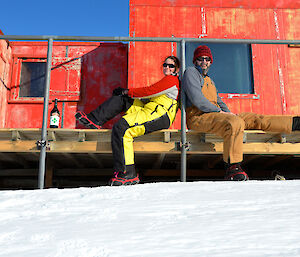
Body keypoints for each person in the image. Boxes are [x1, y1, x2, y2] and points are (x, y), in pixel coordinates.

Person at [182, 45, 300, 181]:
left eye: (207, 59)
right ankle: (232, 167)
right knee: (234, 123)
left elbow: (219, 102)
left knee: (253, 118)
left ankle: (295, 123)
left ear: (210, 61)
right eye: (200, 59)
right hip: (199, 118)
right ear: (194, 61)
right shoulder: (191, 73)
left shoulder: (210, 81)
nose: (204, 62)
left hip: (216, 116)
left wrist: (228, 113)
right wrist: (223, 114)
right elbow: (198, 100)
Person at [75, 56, 180, 186]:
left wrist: (127, 91)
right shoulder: (166, 80)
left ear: (177, 69)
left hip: (161, 114)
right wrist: (125, 94)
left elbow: (149, 91)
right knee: (124, 98)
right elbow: (150, 95)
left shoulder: (172, 80)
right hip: (151, 109)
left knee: (122, 128)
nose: (167, 68)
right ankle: (95, 119)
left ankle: (127, 173)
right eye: (165, 65)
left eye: (171, 66)